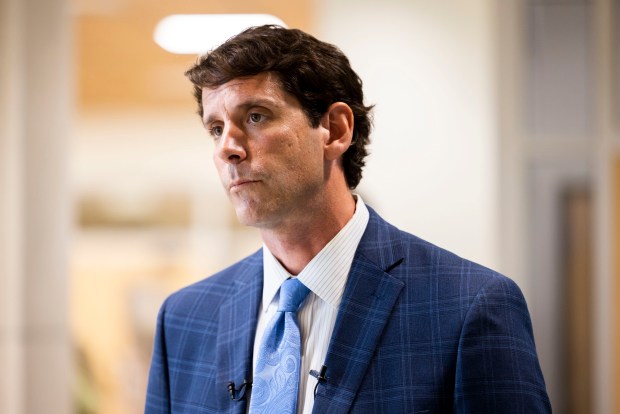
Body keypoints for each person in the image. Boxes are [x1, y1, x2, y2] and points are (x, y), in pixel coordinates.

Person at [145, 25, 551, 413]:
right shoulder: (185, 320)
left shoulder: (468, 307)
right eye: (215, 128)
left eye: (256, 117)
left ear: (335, 129)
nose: (227, 149)